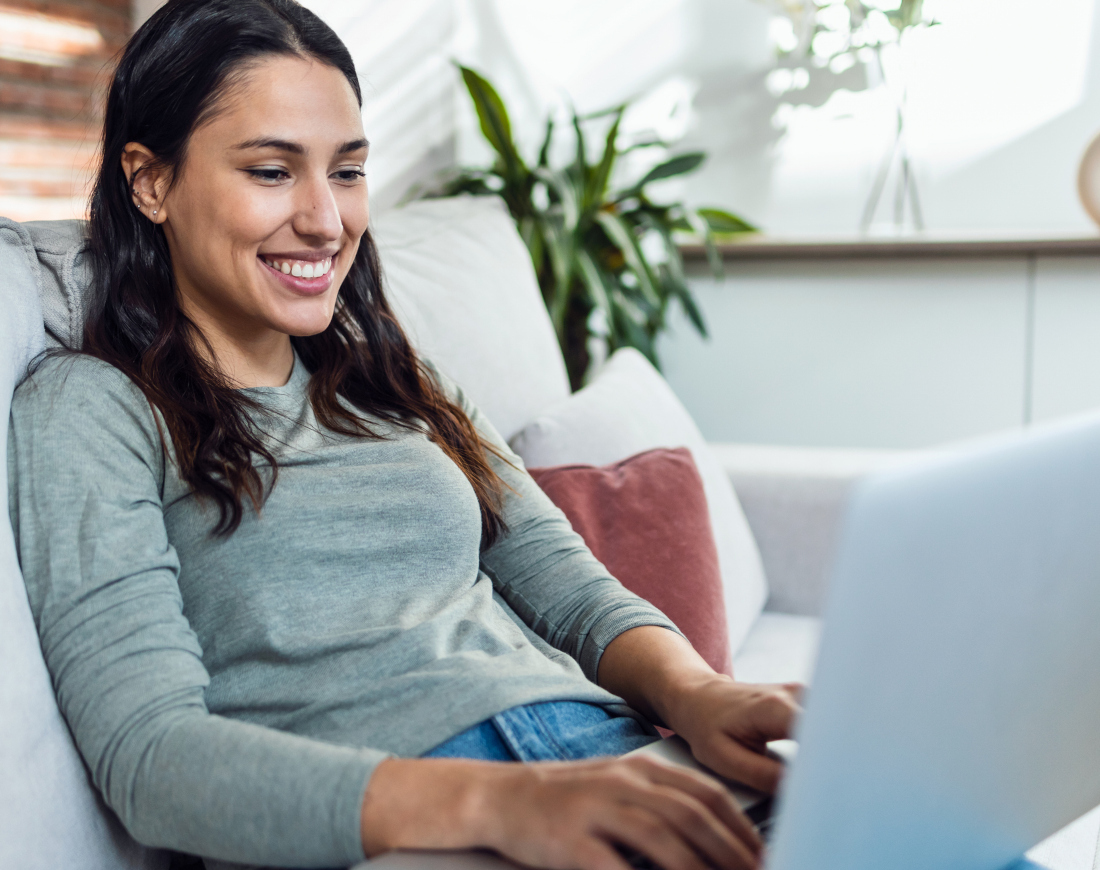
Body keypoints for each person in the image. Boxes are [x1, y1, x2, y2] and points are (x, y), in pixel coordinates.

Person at [7, 1, 801, 868]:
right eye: (272, 171)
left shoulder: (394, 380)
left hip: (601, 764)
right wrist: (506, 804)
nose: (326, 220)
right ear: (150, 181)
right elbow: (150, 758)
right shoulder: (94, 408)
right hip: (420, 826)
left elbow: (571, 591)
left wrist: (702, 695)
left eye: (346, 172)